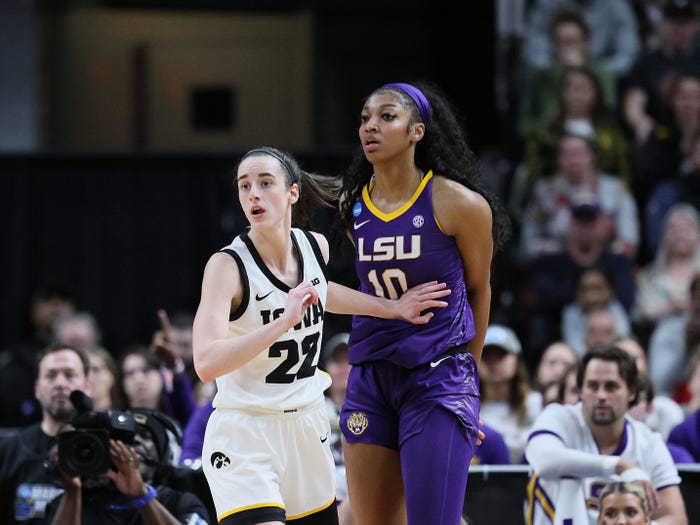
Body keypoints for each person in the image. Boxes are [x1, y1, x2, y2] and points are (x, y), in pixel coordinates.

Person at [192, 145, 454, 525]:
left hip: (306, 426)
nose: (253, 194)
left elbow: (324, 291)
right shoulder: (226, 266)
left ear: (292, 192)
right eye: (244, 186)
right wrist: (282, 321)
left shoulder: (314, 246)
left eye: (266, 183)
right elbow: (206, 362)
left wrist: (393, 308)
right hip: (245, 430)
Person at [335, 80, 510, 525]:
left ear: (417, 132)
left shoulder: (459, 204)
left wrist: (467, 379)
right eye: (365, 118)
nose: (370, 126)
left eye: (386, 116)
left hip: (437, 377)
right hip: (371, 376)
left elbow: (479, 290)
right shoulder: (352, 206)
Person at [524, 345, 688, 525]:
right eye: (593, 386)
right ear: (581, 390)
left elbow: (676, 518)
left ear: (632, 392)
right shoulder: (557, 417)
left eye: (611, 386)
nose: (601, 395)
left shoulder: (648, 443)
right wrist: (619, 466)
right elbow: (544, 462)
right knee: (568, 478)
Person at [46, 407, 211, 524]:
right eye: (129, 438)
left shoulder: (181, 502)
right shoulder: (70, 502)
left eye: (146, 436)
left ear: (166, 455)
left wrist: (142, 497)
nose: (136, 442)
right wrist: (73, 492)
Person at [0, 343, 91, 524]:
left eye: (69, 375)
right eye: (50, 375)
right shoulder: (9, 450)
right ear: (37, 388)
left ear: (87, 386)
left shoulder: (102, 449)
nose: (60, 383)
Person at [0, 285, 76, 428]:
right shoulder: (14, 357)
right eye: (48, 300)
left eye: (62, 301)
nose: (56, 307)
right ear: (33, 312)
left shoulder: (91, 355)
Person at [478, 324, 543, 464]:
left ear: (516, 359)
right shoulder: (468, 408)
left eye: (500, 355)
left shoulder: (535, 403)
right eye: (486, 356)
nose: (493, 362)